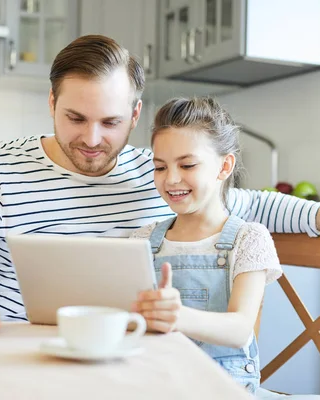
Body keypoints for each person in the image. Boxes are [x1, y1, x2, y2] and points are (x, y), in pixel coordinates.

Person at [0, 35, 320, 334]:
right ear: (51, 103)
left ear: (136, 113)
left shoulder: (158, 172)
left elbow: (250, 204)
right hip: (16, 357)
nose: (92, 139)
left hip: (126, 359)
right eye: (76, 117)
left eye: (111, 122)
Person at [130, 96, 280, 394]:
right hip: (155, 384)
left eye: (187, 165)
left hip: (223, 388)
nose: (171, 179)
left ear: (224, 166)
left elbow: (240, 330)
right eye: (160, 167)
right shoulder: (143, 239)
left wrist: (178, 317)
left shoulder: (248, 238)